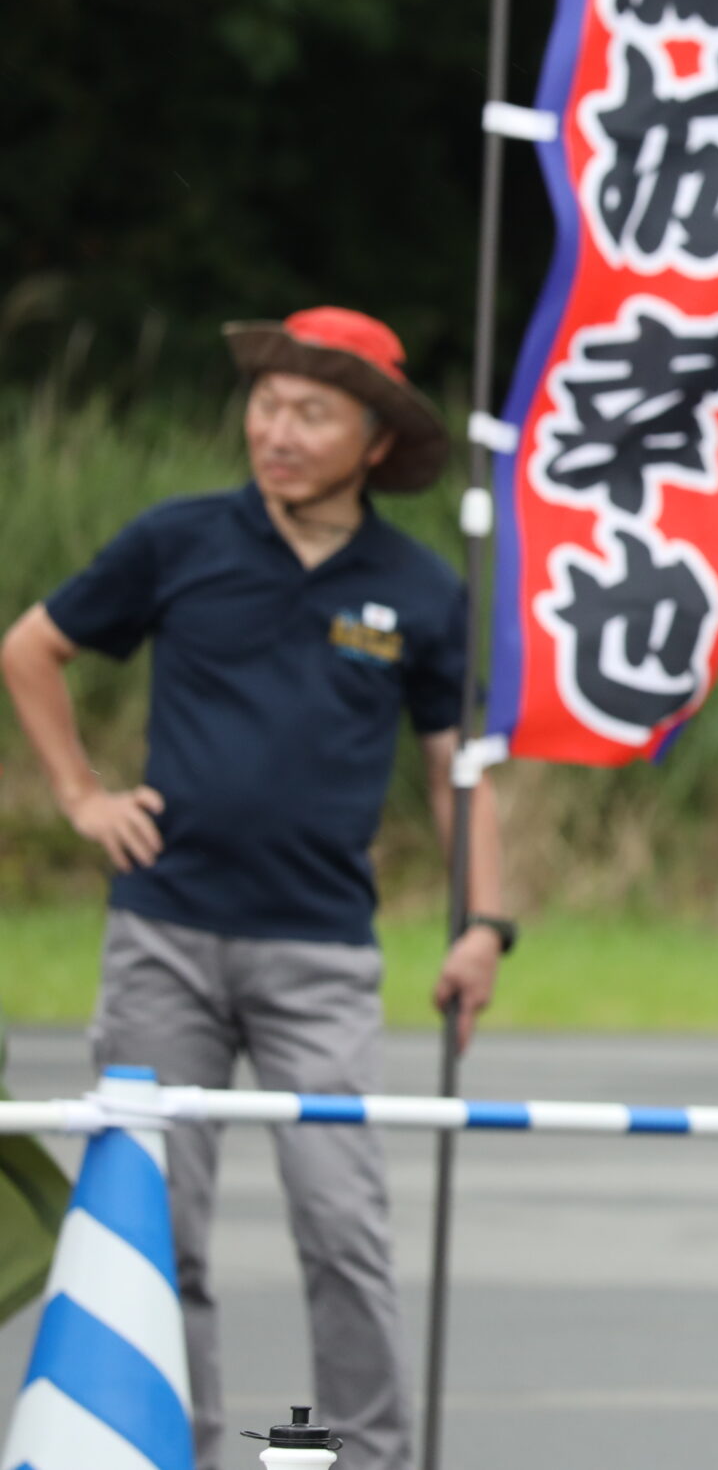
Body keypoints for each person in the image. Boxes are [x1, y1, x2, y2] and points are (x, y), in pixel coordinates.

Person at [0, 307, 514, 1470]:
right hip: (162, 938)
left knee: (342, 1224)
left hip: (320, 956)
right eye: (267, 405)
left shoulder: (421, 589)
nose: (278, 431)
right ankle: (168, 1448)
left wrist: (483, 922)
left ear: (375, 441)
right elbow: (29, 648)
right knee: (157, 1226)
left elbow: (460, 771)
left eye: (311, 413)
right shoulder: (177, 540)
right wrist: (81, 795)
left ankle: (366, 1454)